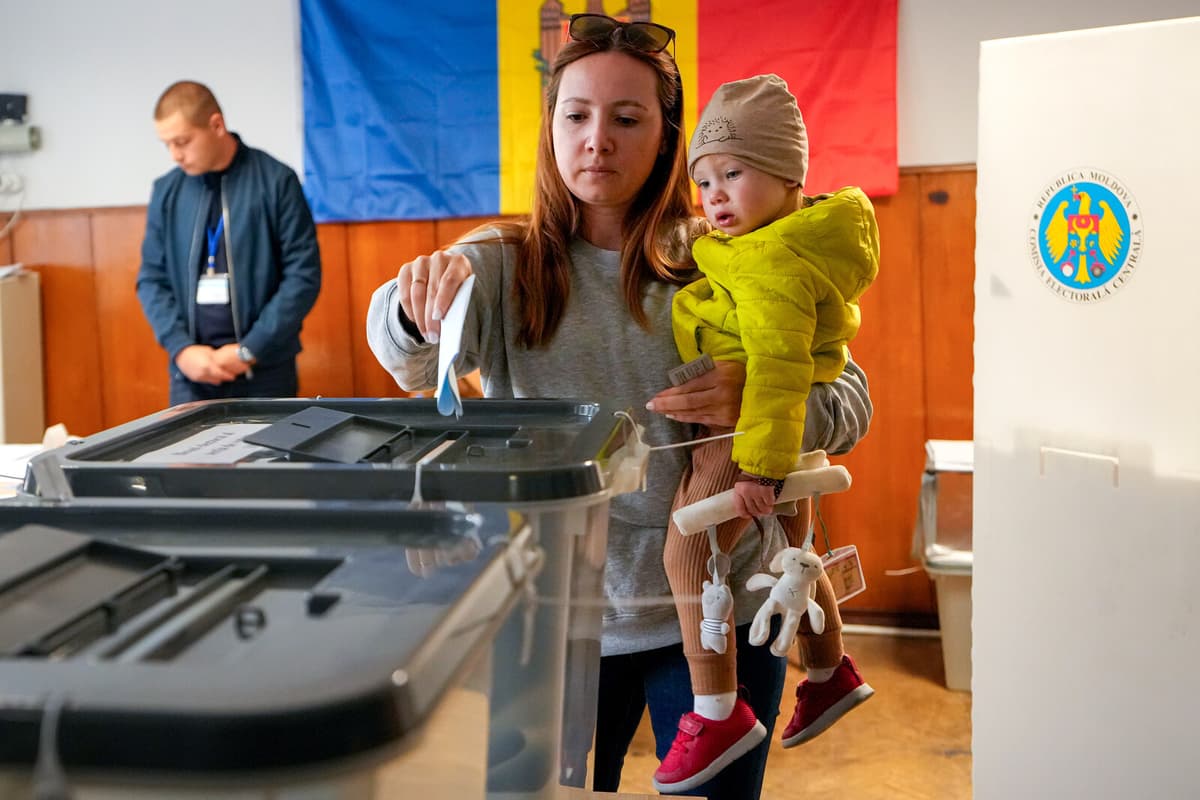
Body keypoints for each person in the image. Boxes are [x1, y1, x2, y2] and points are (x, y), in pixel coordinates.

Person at [365, 14, 872, 799]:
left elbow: (851, 396)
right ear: (552, 129)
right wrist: (410, 303)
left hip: (718, 612)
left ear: (668, 137)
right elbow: (405, 353)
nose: (596, 139)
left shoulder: (733, 252)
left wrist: (772, 398)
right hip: (557, 614)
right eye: (576, 115)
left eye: (626, 118)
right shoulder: (501, 263)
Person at [653, 74, 879, 793]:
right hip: (778, 434)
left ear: (789, 179)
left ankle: (717, 710)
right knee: (792, 552)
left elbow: (778, 371)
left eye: (735, 174)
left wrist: (756, 468)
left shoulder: (773, 264)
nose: (715, 195)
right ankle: (828, 669)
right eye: (705, 180)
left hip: (752, 433)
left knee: (689, 550)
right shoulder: (772, 242)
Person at [137, 80, 321, 406]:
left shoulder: (276, 181)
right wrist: (180, 349)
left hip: (265, 371)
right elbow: (151, 278)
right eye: (167, 144)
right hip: (191, 374)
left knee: (269, 458)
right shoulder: (167, 191)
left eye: (182, 141)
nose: (175, 155)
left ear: (216, 125)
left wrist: (250, 349)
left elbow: (303, 276)